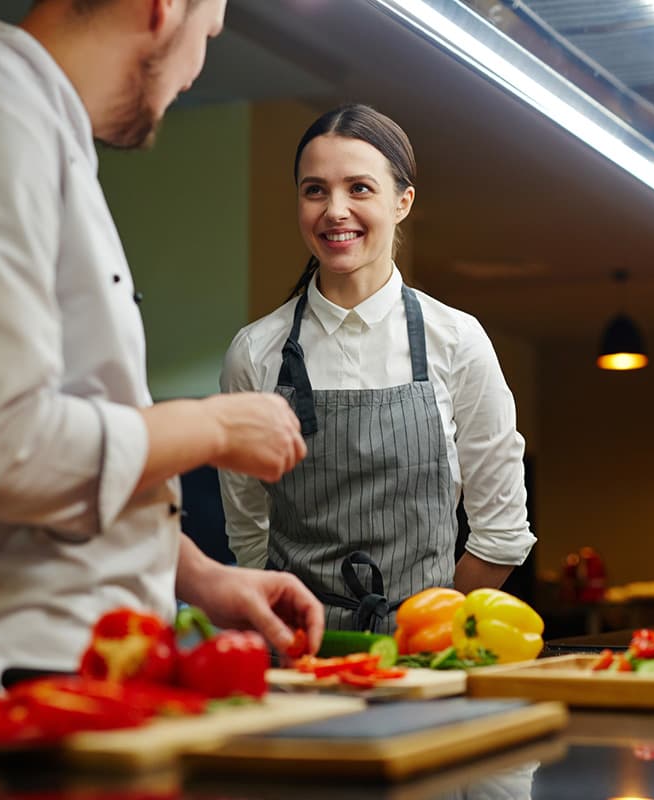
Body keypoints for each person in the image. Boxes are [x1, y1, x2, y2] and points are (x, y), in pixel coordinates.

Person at [0, 0, 321, 725]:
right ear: (161, 8)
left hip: (53, 661)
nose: (195, 69)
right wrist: (211, 426)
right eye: (207, 35)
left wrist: (203, 576)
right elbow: (1, 449)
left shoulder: (30, 129)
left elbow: (63, 460)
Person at [219, 104, 535, 633]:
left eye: (359, 188)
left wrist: (428, 629)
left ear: (403, 202)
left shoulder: (457, 342)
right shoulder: (255, 353)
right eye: (314, 190)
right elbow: (249, 531)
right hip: (295, 658)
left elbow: (502, 533)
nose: (334, 210)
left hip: (424, 660)